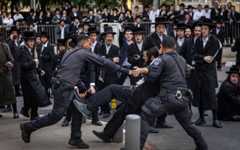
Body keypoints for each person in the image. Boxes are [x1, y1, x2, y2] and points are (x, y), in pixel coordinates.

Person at [19, 35, 131, 148]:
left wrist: (81, 86)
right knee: (55, 116)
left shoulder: (70, 52)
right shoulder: (83, 52)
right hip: (64, 87)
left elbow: (69, 71)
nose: (91, 45)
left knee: (78, 110)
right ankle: (28, 127)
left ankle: (75, 138)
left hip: (63, 85)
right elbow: (103, 62)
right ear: (85, 43)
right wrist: (126, 71)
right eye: (89, 43)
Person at [132, 36, 208, 150]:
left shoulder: (162, 58)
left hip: (168, 97)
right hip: (183, 98)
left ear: (161, 47)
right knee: (188, 125)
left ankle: (136, 147)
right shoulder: (182, 59)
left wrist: (141, 71)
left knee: (146, 112)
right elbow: (188, 73)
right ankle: (202, 146)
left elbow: (152, 74)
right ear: (175, 47)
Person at [192, 17, 222, 128]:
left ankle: (215, 119)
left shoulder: (214, 41)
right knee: (199, 95)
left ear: (209, 30)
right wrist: (203, 58)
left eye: (205, 29)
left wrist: (202, 58)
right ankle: (201, 118)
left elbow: (211, 58)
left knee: (211, 95)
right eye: (202, 29)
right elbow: (194, 55)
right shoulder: (198, 40)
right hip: (199, 72)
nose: (203, 31)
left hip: (209, 72)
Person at [0, 32, 16, 118]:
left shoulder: (5, 46)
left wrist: (8, 64)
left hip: (6, 72)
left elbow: (11, 59)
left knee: (11, 92)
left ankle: (15, 111)